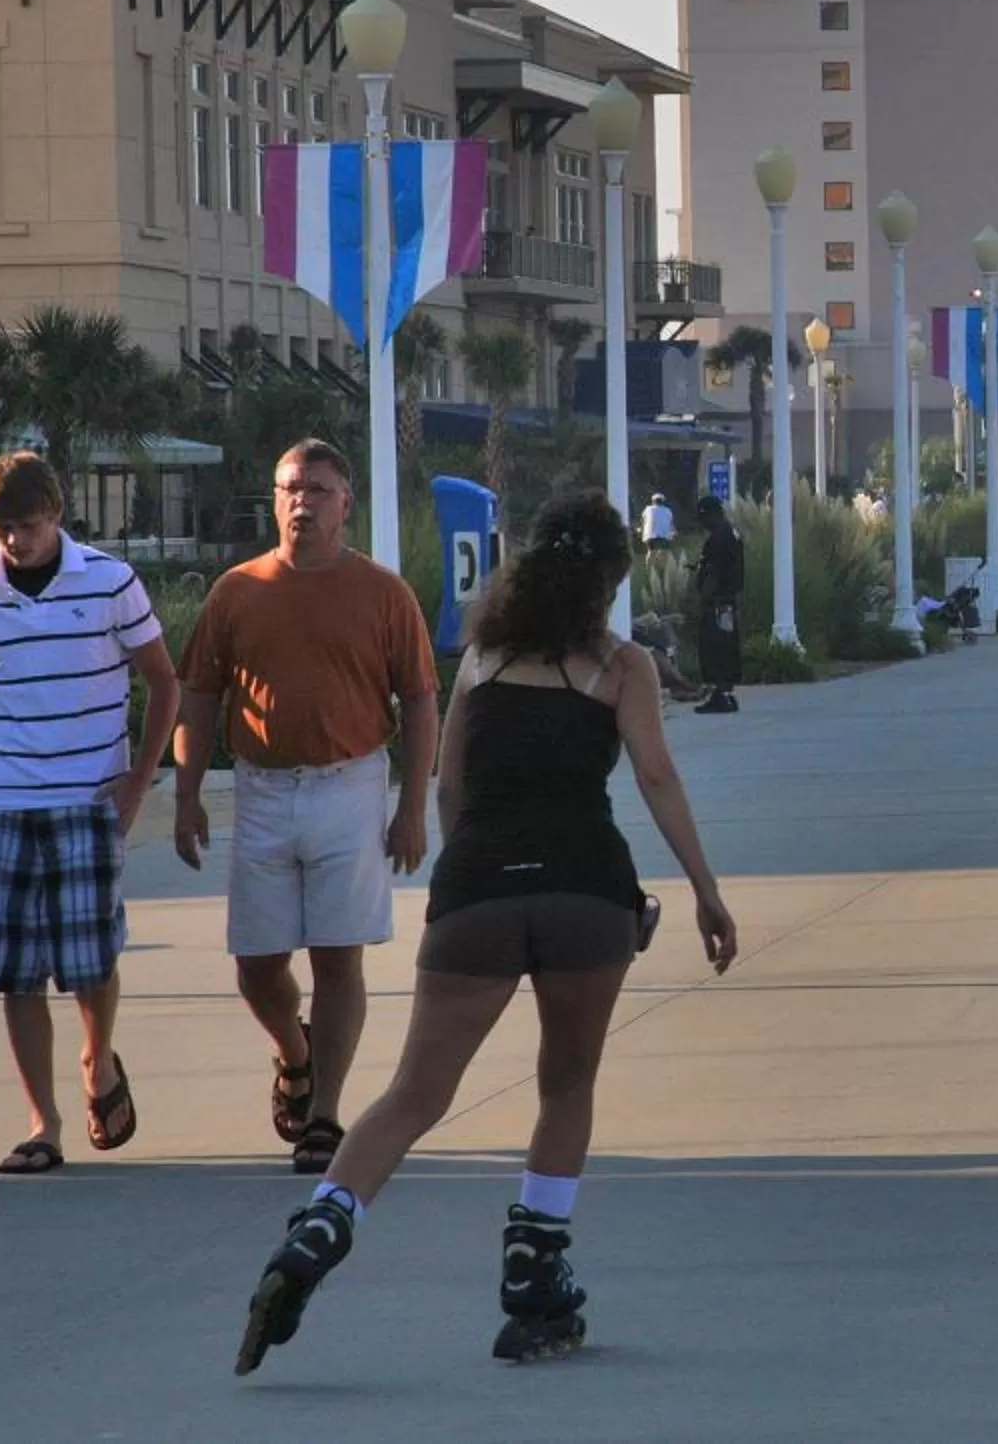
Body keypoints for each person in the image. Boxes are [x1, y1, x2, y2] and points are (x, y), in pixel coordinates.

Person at [236, 493, 738, 1376]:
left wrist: (472, 871)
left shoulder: (487, 658)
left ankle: (321, 1226)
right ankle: (534, 1270)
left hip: (479, 891)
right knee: (566, 1081)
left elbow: (447, 786)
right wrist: (704, 891)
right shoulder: (623, 669)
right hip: (587, 890)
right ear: (610, 579)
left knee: (411, 1096)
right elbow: (655, 777)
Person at [174, 440, 440, 1176]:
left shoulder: (384, 594)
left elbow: (420, 698)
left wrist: (411, 806)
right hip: (261, 789)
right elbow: (200, 691)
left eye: (319, 490)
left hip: (349, 786)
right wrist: (187, 792)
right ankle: (294, 1055)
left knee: (337, 958)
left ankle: (323, 1116)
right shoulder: (238, 590)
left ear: (345, 503)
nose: (303, 503)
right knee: (257, 966)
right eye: (291, 488)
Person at [0, 453, 181, 1176]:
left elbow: (163, 682)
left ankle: (97, 1060)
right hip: (5, 801)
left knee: (90, 959)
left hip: (88, 796)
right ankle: (44, 1122)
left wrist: (136, 783)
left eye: (29, 526)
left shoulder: (109, 581)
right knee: (16, 971)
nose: (17, 542)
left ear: (56, 516)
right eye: (3, 529)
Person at [689, 494, 742, 715]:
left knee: (716, 646)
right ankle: (726, 693)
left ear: (709, 514)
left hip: (717, 602)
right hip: (728, 600)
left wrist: (704, 600)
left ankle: (720, 695)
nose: (701, 525)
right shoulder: (731, 533)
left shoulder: (718, 538)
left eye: (702, 519)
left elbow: (715, 570)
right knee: (727, 645)